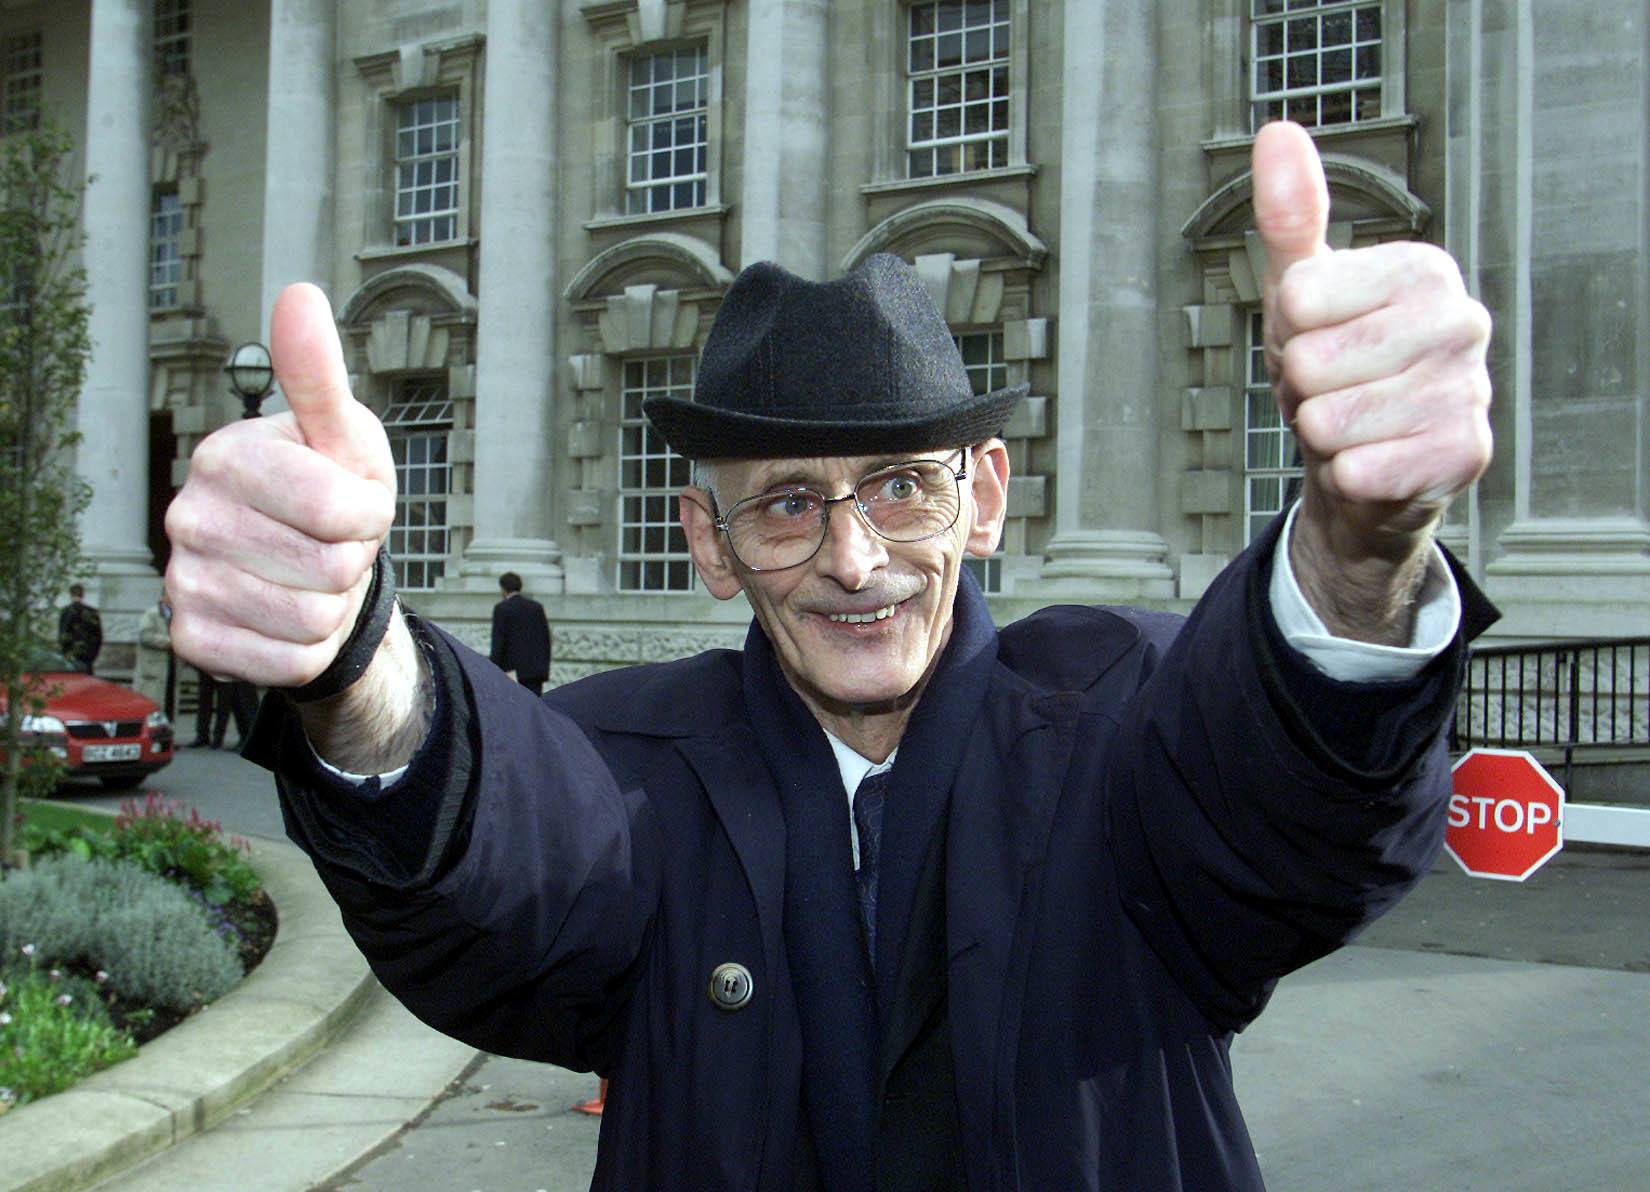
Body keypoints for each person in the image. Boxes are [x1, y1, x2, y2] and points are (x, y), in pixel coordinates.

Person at [164, 125, 1496, 1190]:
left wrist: (1355, 547)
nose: (853, 560)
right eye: (788, 502)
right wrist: (350, 660)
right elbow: (507, 848)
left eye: (900, 485)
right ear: (709, 540)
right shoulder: (633, 761)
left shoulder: (1121, 723)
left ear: (984, 496)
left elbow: (1276, 795)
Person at [489, 571, 552, 695]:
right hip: (535, 672)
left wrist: (492, 669)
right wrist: (544, 670)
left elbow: (499, 642)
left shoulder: (502, 608)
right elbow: (545, 640)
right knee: (532, 709)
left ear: (503, 589)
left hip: (512, 673)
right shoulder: (536, 607)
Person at [133, 597, 173, 710]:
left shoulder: (176, 616)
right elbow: (145, 637)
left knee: (165, 708)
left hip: (170, 670)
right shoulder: (151, 614)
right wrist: (171, 642)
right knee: (150, 707)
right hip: (151, 670)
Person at [57, 583, 101, 674]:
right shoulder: (92, 612)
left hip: (70, 654)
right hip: (87, 654)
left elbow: (62, 634)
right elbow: (98, 636)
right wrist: (93, 654)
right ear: (83, 594)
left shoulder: (65, 612)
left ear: (70, 594)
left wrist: (65, 652)